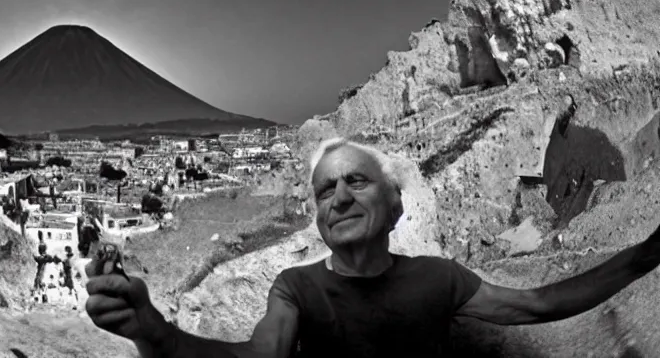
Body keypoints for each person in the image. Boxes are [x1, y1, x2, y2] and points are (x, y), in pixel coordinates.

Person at [86, 137, 660, 357]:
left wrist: (645, 255)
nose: (337, 196)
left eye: (356, 181)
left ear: (397, 206)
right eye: (323, 190)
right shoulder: (296, 288)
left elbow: (536, 306)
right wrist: (152, 332)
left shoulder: (439, 279)